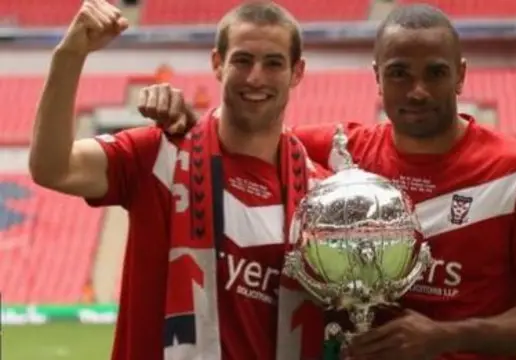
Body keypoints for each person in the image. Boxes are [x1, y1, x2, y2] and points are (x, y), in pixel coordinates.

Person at [142, 4, 516, 360]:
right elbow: (244, 134)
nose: (417, 90)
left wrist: (444, 337)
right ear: (377, 77)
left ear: (461, 75)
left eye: (435, 72)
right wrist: (186, 120)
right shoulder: (339, 153)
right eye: (399, 73)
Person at [29, 0, 329, 359]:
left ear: (297, 72)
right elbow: (52, 167)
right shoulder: (159, 155)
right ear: (217, 64)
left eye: (273, 63)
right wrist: (70, 54)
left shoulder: (320, 196)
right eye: (242, 60)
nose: (255, 78)